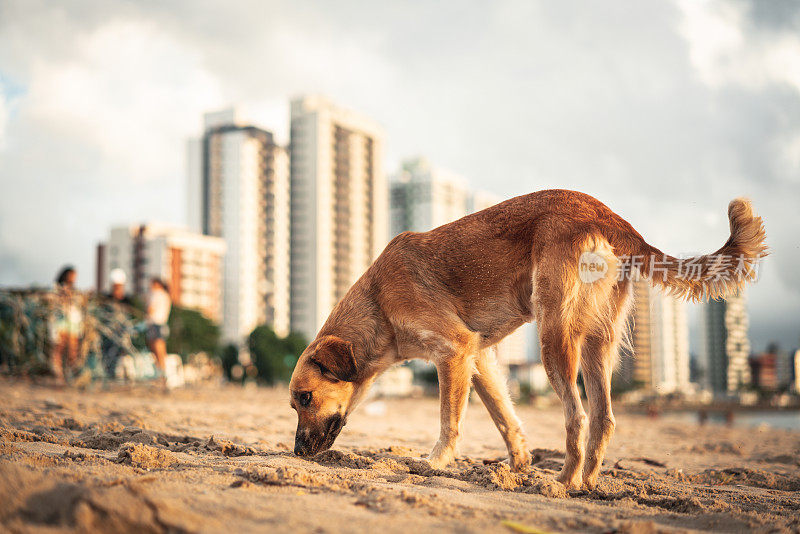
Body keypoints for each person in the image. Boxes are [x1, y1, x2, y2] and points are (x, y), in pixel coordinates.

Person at [50, 265, 83, 384]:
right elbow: (54, 303)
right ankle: (58, 376)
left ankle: (70, 376)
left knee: (72, 350)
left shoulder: (76, 292)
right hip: (60, 323)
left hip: (73, 323)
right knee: (59, 348)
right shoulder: (57, 289)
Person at [100, 268, 134, 379]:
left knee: (123, 352)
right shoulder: (106, 299)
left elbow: (128, 318)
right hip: (108, 334)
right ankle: (108, 373)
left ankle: (123, 374)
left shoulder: (127, 300)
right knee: (108, 353)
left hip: (122, 334)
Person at [145, 278, 171, 380]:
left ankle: (161, 374)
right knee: (161, 351)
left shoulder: (157, 294)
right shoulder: (166, 295)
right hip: (162, 324)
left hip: (155, 324)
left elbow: (150, 309)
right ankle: (162, 373)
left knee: (157, 350)